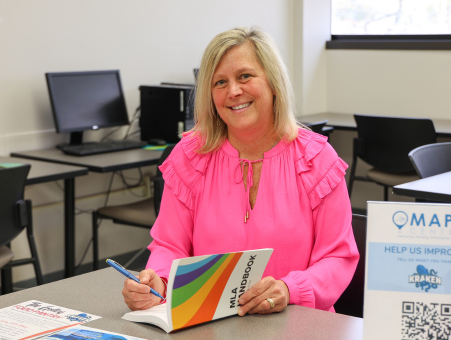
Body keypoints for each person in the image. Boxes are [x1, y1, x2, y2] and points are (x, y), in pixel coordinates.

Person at [122, 27, 359, 316]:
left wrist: (289, 289)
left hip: (297, 324)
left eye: (245, 76)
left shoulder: (316, 159)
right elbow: (170, 246)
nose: (233, 91)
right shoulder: (189, 157)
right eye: (220, 82)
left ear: (273, 82)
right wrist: (155, 282)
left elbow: (338, 257)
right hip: (209, 325)